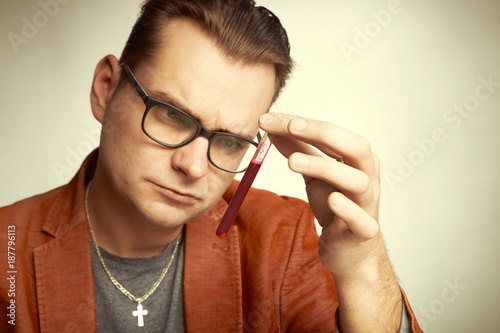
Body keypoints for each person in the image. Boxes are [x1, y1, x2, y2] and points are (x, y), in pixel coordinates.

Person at [0, 0, 423, 332]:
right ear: (105, 89)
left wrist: (365, 269)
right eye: (170, 114)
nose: (194, 166)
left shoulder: (283, 238)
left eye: (228, 141)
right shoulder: (7, 250)